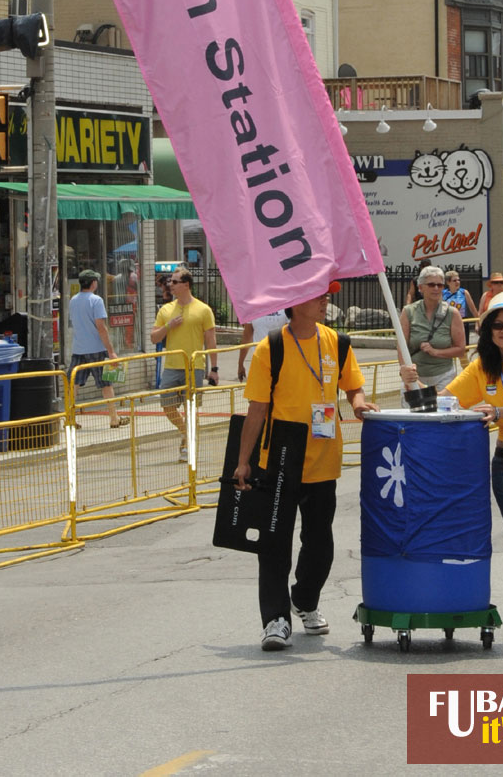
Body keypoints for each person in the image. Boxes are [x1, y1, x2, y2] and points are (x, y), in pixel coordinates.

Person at [400, 291, 503, 649]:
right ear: (488, 330)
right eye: (497, 324)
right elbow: (440, 402)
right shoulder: (482, 367)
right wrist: (411, 382)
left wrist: (499, 412)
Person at [234, 283, 377, 652]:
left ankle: (305, 600)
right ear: (295, 304)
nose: (325, 300)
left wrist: (360, 405)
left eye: (326, 295)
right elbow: (257, 410)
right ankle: (275, 619)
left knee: (320, 544)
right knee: (274, 544)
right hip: (279, 459)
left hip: (324, 459)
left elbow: (353, 388)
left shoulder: (338, 342)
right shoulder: (271, 348)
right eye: (318, 296)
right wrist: (243, 461)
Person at [150, 268, 217, 462]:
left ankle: (187, 447)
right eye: (170, 282)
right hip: (171, 366)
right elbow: (154, 338)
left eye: (175, 282)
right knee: (167, 406)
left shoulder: (203, 310)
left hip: (194, 366)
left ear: (186, 285)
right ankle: (187, 434)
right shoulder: (165, 310)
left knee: (191, 408)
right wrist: (168, 326)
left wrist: (214, 369)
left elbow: (211, 340)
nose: (170, 285)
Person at [68, 269, 128, 429]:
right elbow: (101, 327)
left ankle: (69, 419)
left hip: (78, 347)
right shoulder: (96, 300)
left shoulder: (73, 300)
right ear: (93, 283)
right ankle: (114, 418)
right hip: (96, 348)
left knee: (73, 384)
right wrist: (111, 351)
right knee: (106, 384)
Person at [400, 264, 465, 391]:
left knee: (442, 410)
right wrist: (405, 371)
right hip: (415, 378)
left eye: (439, 285)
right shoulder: (408, 311)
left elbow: (460, 349)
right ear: (420, 287)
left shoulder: (452, 313)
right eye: (431, 284)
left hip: (443, 376)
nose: (436, 288)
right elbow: (402, 346)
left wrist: (435, 352)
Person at [237, 307, 289, 382]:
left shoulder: (287, 305)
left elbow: (292, 334)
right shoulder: (253, 306)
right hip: (259, 362)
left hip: (282, 363)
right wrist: (240, 363)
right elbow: (247, 336)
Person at [443, 270, 479, 347]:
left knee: (464, 348)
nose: (457, 282)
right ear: (448, 282)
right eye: (454, 280)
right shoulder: (443, 294)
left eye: (458, 280)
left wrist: (478, 323)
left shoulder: (464, 292)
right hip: (448, 323)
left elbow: (473, 309)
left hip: (462, 322)